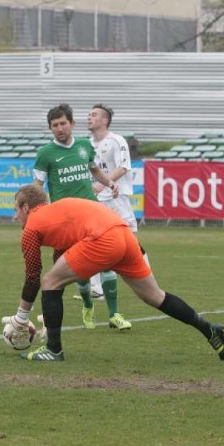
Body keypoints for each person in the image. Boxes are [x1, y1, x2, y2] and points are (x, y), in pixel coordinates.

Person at [4, 184, 224, 361]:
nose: (16, 217)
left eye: (16, 209)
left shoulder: (33, 225)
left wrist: (21, 318)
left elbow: (34, 276)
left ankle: (53, 350)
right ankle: (209, 329)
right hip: (124, 234)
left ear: (26, 208)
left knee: (49, 281)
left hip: (104, 238)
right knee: (155, 296)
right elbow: (62, 262)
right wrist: (49, 318)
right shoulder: (57, 213)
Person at [33, 103, 131, 331]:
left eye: (63, 123)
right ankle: (88, 304)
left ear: (72, 124)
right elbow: (38, 186)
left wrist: (109, 182)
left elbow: (94, 169)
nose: (60, 128)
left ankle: (114, 314)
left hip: (93, 213)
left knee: (108, 263)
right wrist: (37, 209)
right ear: (50, 129)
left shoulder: (85, 146)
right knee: (81, 268)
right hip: (66, 220)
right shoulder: (45, 154)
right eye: (55, 125)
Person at [85, 104, 140, 321]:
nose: (89, 117)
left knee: (130, 242)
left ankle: (144, 275)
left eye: (94, 115)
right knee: (94, 239)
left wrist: (105, 183)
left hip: (117, 200)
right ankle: (96, 287)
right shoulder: (87, 145)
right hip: (96, 201)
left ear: (105, 120)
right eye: (89, 114)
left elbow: (124, 166)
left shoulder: (116, 140)